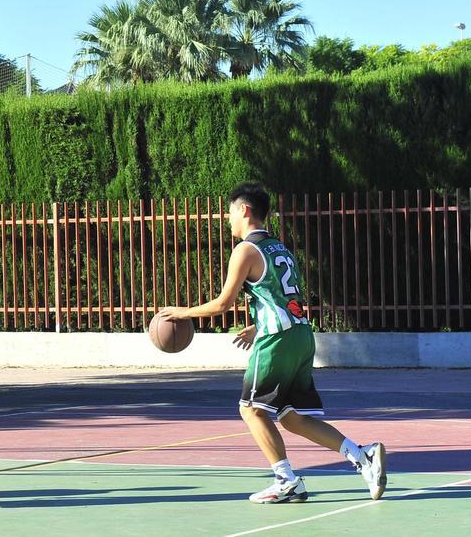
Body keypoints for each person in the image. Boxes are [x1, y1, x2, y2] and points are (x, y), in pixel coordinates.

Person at [158, 182, 386, 504]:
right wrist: (257, 325)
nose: (228, 219)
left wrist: (181, 312)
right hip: (300, 335)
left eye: (230, 212)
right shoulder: (279, 248)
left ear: (244, 210)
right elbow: (282, 297)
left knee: (250, 409)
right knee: (291, 416)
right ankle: (363, 456)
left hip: (278, 340)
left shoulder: (245, 251)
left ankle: (285, 480)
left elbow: (223, 304)